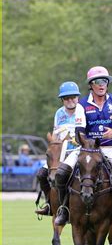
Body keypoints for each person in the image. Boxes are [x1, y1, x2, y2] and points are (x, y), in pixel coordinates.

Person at [54, 66, 112, 227]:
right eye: (97, 81)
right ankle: (64, 209)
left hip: (110, 148)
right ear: (91, 85)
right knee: (62, 173)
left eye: (104, 81)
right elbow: (79, 131)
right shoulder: (82, 104)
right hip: (87, 150)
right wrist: (87, 143)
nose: (101, 84)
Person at [35, 81, 80, 216]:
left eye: (73, 97)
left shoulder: (83, 111)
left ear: (77, 97)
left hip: (78, 151)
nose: (70, 100)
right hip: (59, 154)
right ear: (62, 100)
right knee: (41, 174)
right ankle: (49, 203)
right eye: (66, 98)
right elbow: (55, 134)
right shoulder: (59, 113)